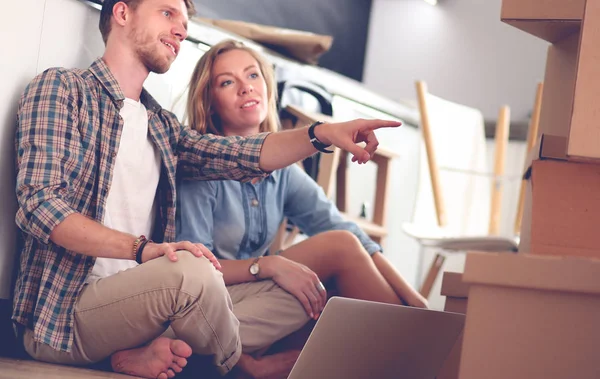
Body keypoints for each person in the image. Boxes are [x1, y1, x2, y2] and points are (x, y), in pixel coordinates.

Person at [12, 1, 400, 379]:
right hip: (65, 314)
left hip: (153, 308)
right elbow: (40, 206)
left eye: (184, 22)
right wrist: (142, 250)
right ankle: (251, 368)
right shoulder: (63, 88)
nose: (181, 30)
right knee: (194, 273)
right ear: (122, 12)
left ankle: (151, 352)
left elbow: (241, 154)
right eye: (168, 13)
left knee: (306, 290)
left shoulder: (162, 127)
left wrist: (321, 134)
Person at [176, 39, 427, 329]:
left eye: (253, 75)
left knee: (341, 291)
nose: (246, 87)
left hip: (256, 297)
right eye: (227, 82)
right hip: (210, 304)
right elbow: (196, 270)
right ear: (209, 104)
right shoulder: (200, 168)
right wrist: (267, 266)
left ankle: (414, 334)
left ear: (268, 86)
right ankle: (412, 343)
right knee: (339, 247)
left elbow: (346, 230)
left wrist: (416, 301)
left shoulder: (283, 172)